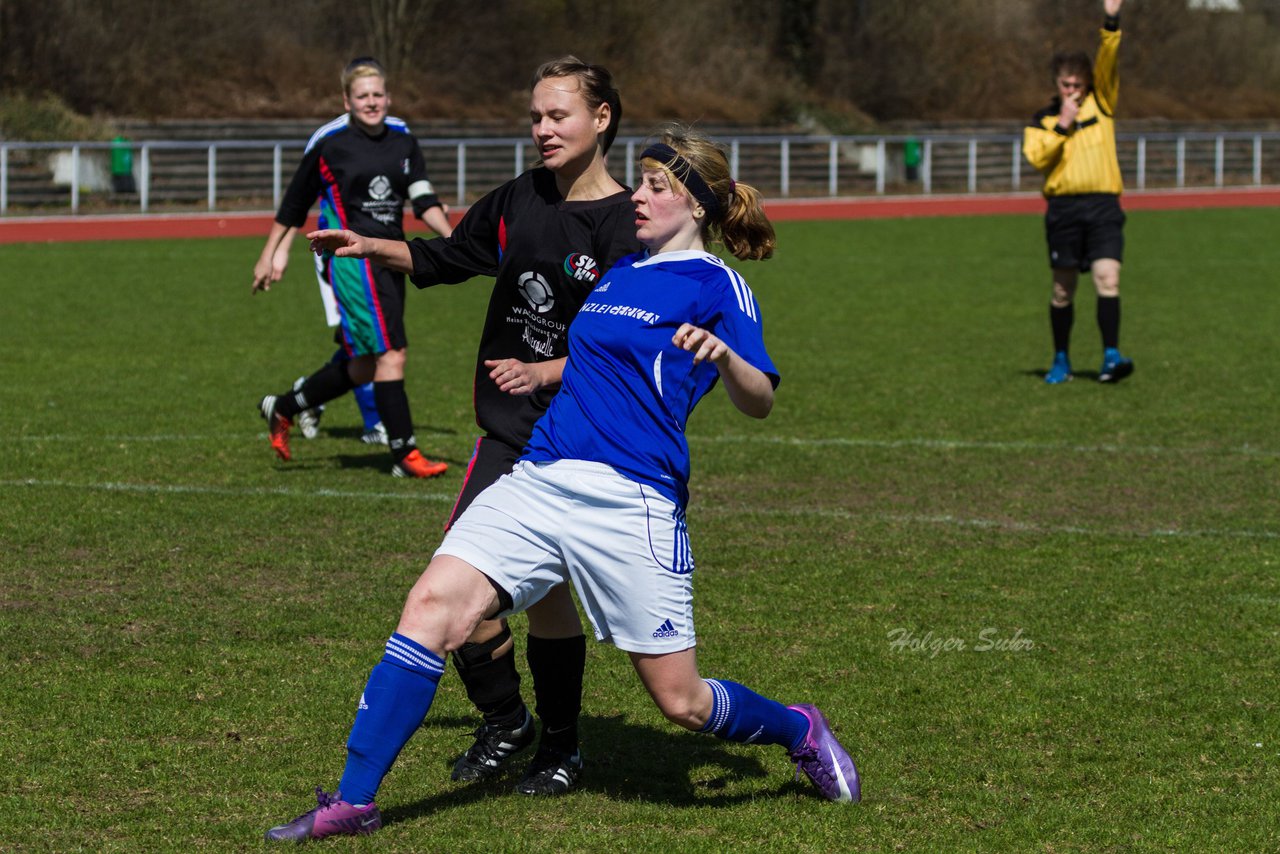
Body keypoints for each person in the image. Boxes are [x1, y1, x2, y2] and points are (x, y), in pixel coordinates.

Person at [264, 127, 861, 843]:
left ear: (697, 206)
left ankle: (799, 728)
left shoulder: (718, 285)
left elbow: (760, 396)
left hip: (631, 495)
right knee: (432, 606)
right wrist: (540, 373)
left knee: (682, 702)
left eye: (656, 187)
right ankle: (353, 799)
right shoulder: (621, 272)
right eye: (639, 181)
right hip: (541, 474)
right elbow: (583, 362)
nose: (637, 196)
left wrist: (726, 356)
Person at [281, 56, 642, 797]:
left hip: (586, 445)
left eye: (557, 116)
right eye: (535, 116)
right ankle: (508, 718)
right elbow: (450, 255)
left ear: (601, 119)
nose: (541, 130)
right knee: (468, 596)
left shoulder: (627, 226)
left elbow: (626, 349)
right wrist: (369, 245)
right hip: (509, 436)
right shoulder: (520, 198)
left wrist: (548, 372)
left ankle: (562, 747)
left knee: (557, 607)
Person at [251, 56, 454, 477]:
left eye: (378, 94)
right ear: (347, 100)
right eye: (362, 95)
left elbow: (422, 198)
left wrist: (453, 239)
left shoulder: (403, 140)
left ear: (389, 97)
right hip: (352, 261)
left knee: (363, 362)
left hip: (392, 257)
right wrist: (271, 253)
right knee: (392, 354)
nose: (372, 102)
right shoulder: (331, 145)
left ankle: (284, 407)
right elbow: (294, 203)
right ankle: (404, 454)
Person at [1023, 0, 1134, 385]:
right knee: (1062, 288)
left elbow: (1109, 57)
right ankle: (1060, 359)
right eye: (1065, 84)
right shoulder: (1043, 120)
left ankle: (1111, 356)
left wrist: (1111, 21)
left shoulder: (1103, 104)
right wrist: (1062, 126)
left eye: (1078, 84)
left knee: (1108, 277)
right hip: (1063, 210)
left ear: (1088, 84)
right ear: (1056, 84)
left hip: (1103, 204)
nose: (1072, 90)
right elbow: (1036, 158)